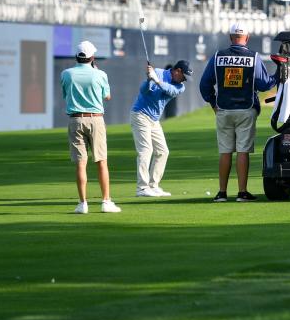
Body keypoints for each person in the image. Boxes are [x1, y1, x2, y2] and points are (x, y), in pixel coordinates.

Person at [199, 22, 278, 202]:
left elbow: (204, 84)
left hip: (223, 110)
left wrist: (212, 102)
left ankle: (222, 193)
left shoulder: (218, 56)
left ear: (230, 37)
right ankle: (242, 192)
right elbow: (264, 84)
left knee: (225, 152)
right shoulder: (253, 57)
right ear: (247, 37)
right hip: (246, 109)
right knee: (243, 151)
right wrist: (278, 75)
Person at [60, 40, 121, 214]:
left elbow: (66, 95)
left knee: (81, 163)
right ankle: (106, 202)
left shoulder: (66, 74)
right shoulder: (100, 74)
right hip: (95, 119)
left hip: (75, 120)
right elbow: (107, 96)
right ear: (92, 57)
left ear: (76, 57)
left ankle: (82, 203)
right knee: (101, 161)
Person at [130, 59, 191, 197]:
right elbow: (143, 91)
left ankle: (153, 185)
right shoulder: (157, 72)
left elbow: (168, 90)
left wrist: (156, 81)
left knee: (163, 151)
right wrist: (149, 79)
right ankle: (142, 188)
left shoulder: (180, 87)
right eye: (184, 76)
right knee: (146, 150)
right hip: (140, 114)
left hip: (154, 119)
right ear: (177, 71)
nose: (184, 80)